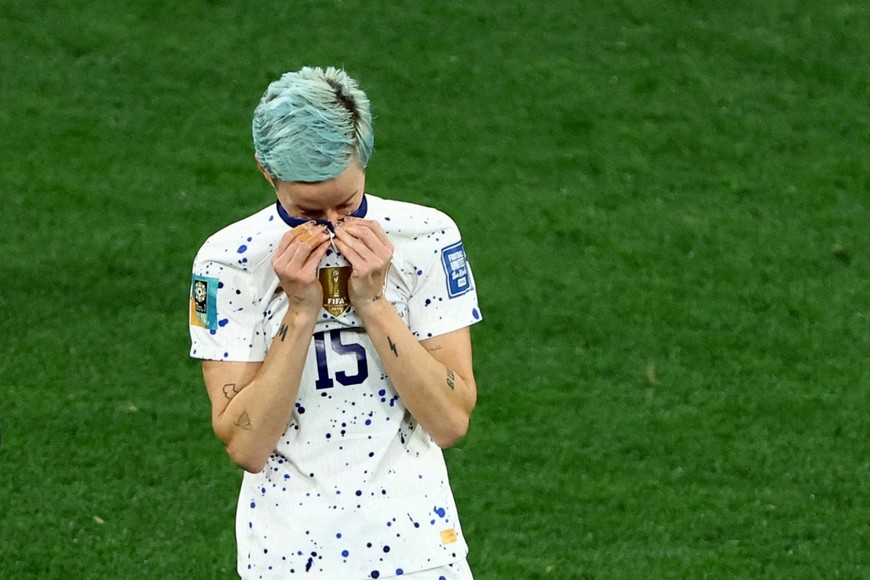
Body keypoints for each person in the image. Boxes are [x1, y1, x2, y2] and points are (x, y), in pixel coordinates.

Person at [188, 66, 482, 579]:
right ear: (265, 171)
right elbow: (246, 444)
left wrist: (373, 302)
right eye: (306, 211)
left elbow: (451, 420)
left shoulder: (428, 239)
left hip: (419, 553)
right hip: (285, 559)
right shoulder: (226, 263)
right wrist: (300, 313)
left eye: (345, 205)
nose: (330, 228)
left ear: (364, 163)